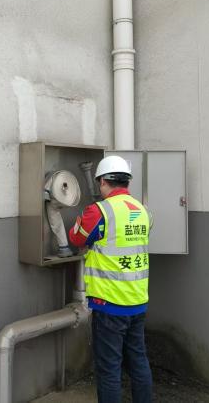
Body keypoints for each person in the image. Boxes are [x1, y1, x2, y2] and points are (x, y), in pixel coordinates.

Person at [69, 155, 153, 403]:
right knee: (138, 360)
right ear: (127, 181)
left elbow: (76, 238)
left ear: (103, 181)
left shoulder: (99, 211)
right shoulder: (143, 211)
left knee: (109, 370)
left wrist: (79, 223)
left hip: (110, 305)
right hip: (138, 301)